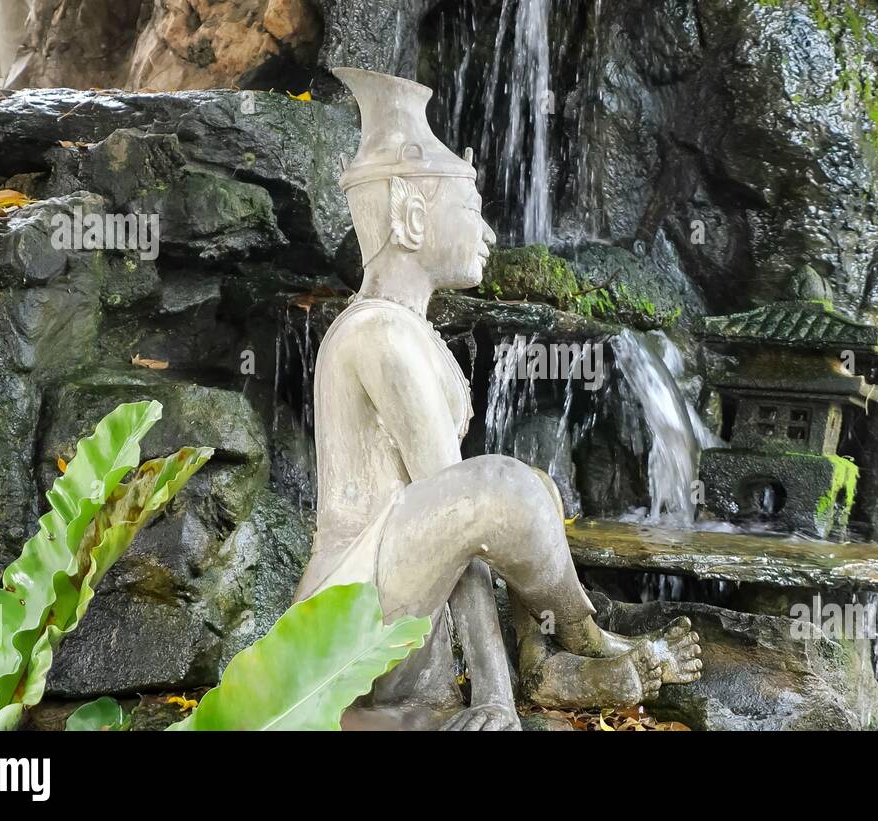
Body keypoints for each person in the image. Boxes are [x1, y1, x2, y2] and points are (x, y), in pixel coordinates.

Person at [296, 68, 701, 730]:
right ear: (411, 215)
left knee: (529, 488)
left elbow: (454, 519)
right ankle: (581, 642)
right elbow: (461, 503)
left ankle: (541, 656)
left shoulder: (416, 333)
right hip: (348, 617)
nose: (488, 232)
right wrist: (492, 701)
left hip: (403, 608)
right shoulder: (379, 331)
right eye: (471, 209)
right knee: (502, 488)